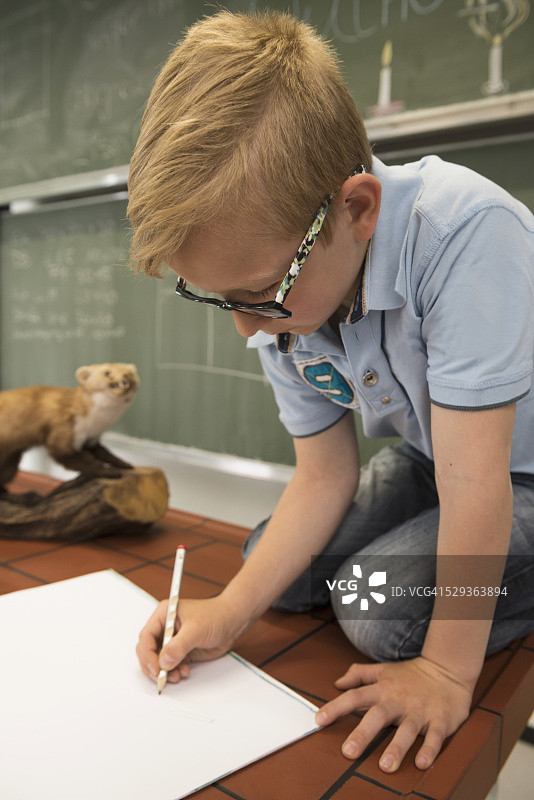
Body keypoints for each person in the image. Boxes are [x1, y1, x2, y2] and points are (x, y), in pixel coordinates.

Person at [129, 10, 534, 774]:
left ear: (355, 209)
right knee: (270, 569)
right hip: (435, 463)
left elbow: (477, 484)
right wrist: (227, 611)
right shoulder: (286, 280)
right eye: (218, 300)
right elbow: (323, 476)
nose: (248, 332)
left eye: (257, 297)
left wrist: (448, 672)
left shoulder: (466, 235)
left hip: (508, 475)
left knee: (370, 602)